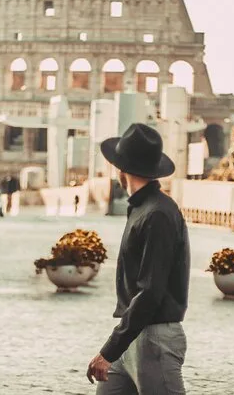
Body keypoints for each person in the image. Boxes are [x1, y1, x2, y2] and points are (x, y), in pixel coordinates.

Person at [86, 123, 190, 394]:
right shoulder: (142, 208)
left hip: (155, 339)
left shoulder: (157, 214)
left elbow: (151, 291)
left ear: (122, 169)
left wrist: (110, 350)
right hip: (133, 334)